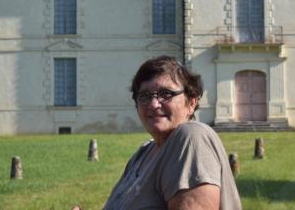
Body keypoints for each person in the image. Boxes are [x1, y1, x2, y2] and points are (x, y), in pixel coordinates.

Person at [103, 56, 241, 210]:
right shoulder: (141, 155)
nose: (154, 104)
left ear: (191, 103)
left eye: (166, 94)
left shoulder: (192, 137)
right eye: (144, 96)